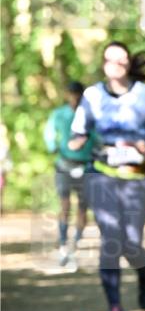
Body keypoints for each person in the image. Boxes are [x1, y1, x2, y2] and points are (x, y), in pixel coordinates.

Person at [68, 41, 145, 311]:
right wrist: (78, 142)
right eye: (110, 61)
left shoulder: (144, 95)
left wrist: (143, 144)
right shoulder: (93, 95)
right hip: (101, 174)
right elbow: (78, 131)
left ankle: (143, 275)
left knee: (132, 244)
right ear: (104, 65)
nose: (116, 66)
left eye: (121, 60)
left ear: (128, 64)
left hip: (135, 176)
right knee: (110, 239)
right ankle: (114, 307)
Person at [43, 81, 95, 267]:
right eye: (71, 94)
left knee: (82, 207)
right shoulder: (59, 114)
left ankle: (76, 243)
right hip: (64, 164)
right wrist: (52, 146)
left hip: (86, 165)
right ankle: (64, 242)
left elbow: (98, 137)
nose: (74, 98)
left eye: (77, 94)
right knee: (64, 204)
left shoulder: (90, 116)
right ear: (67, 95)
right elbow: (49, 132)